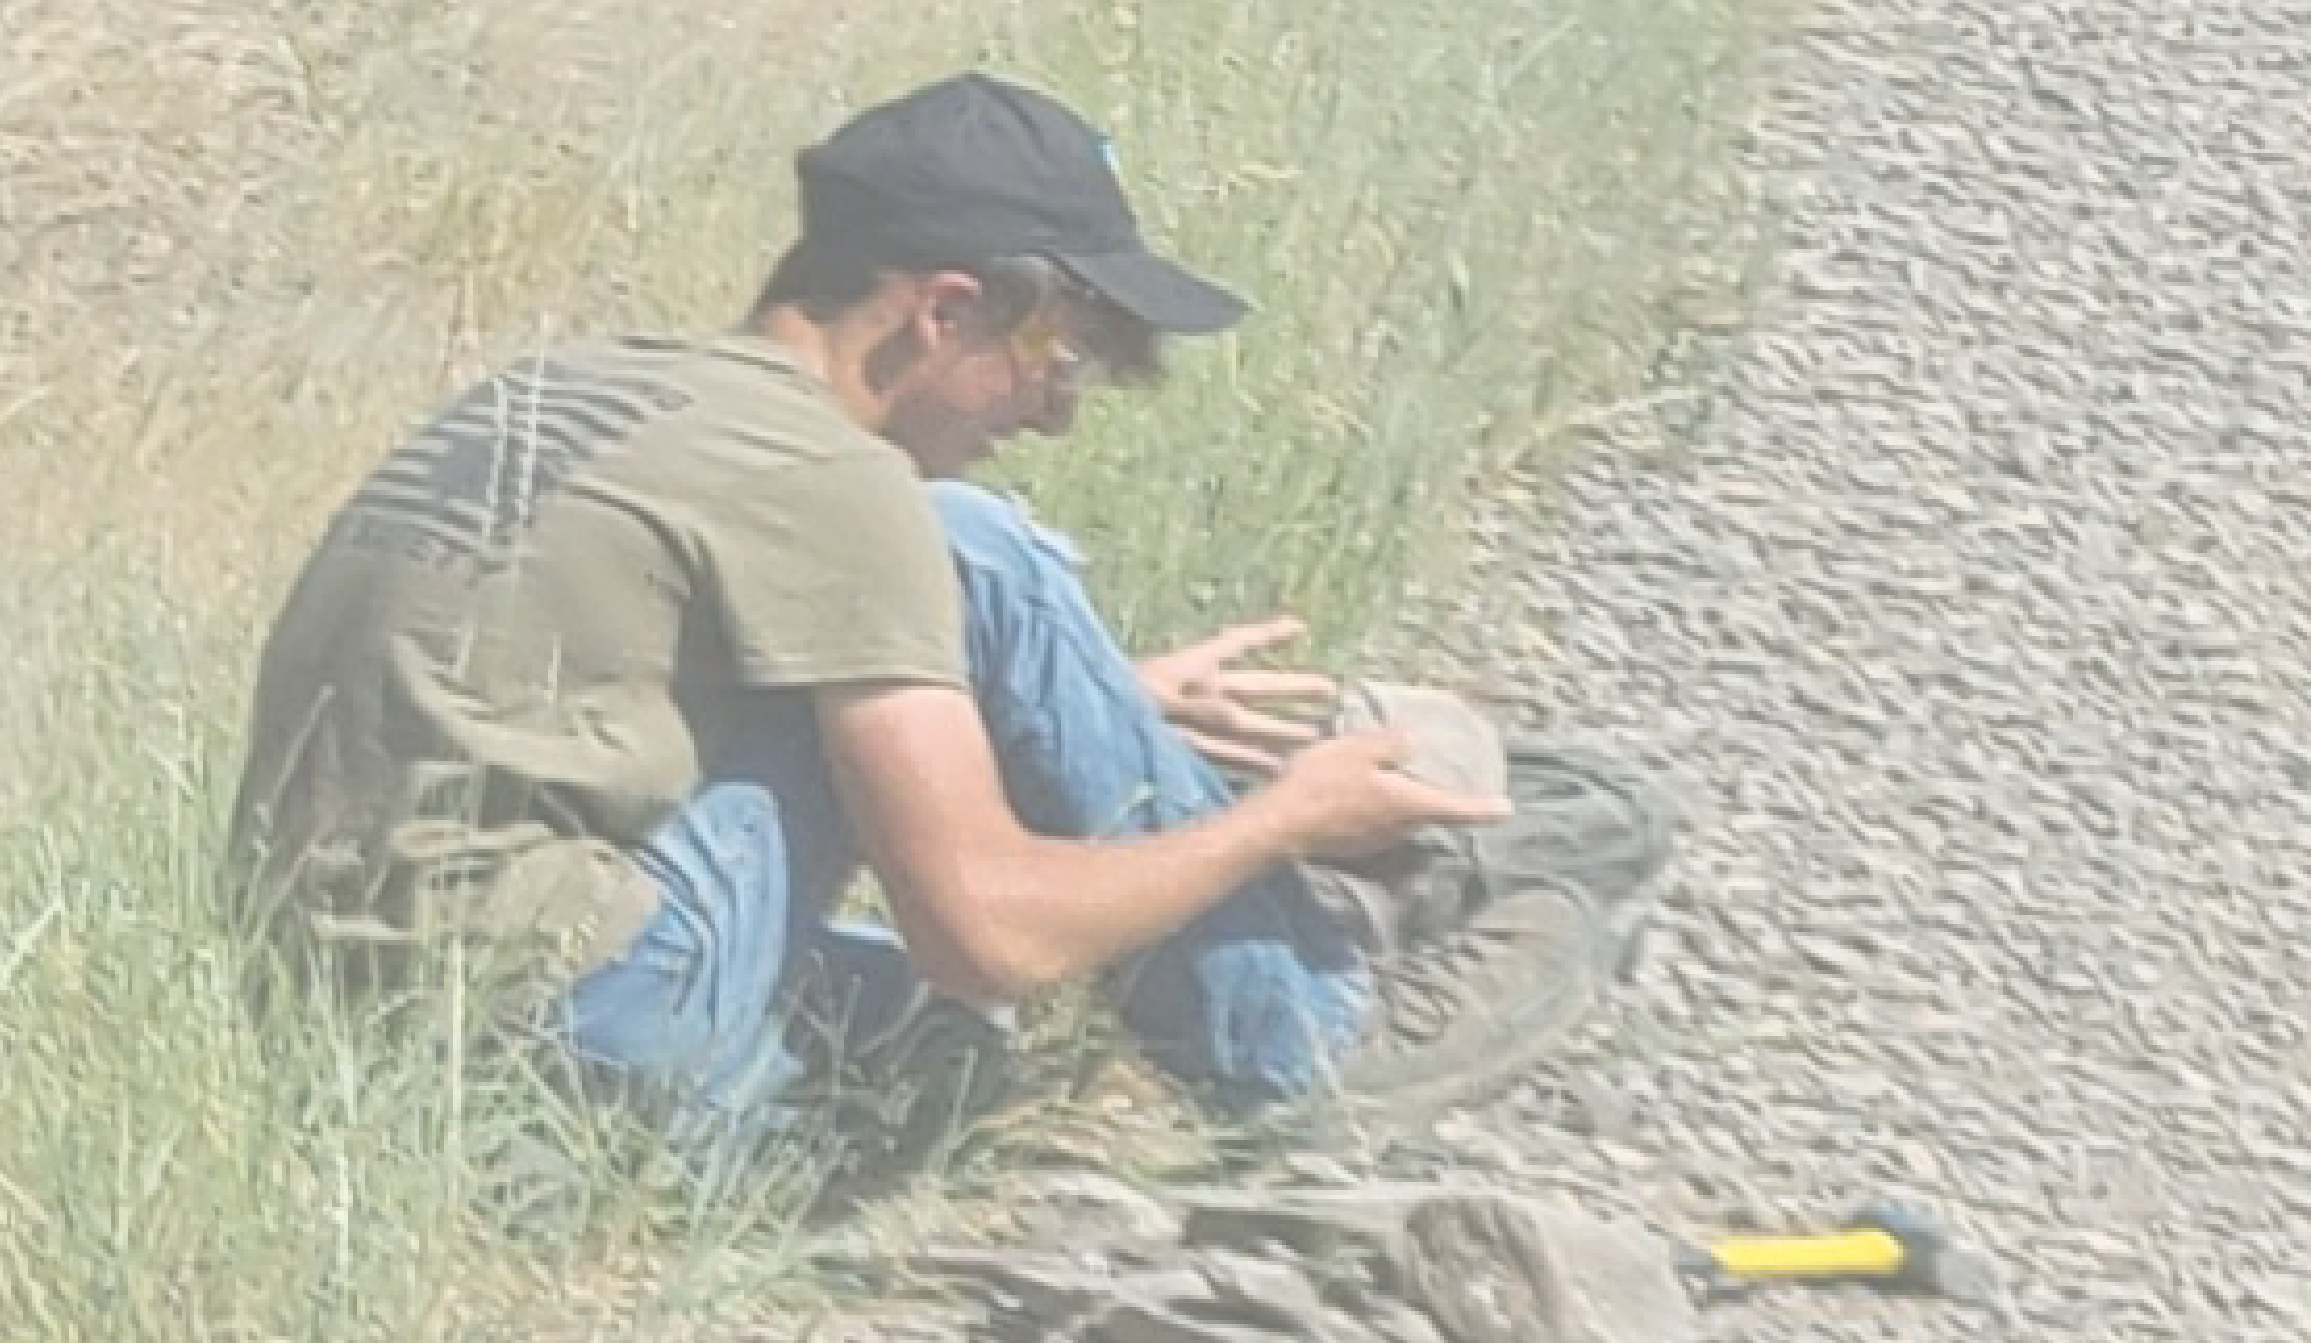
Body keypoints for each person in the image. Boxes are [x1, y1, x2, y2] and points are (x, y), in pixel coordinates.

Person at [235, 70, 1641, 1182]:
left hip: (358, 1052)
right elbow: (984, 935)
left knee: (952, 1041)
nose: (1055, 411)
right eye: (1058, 357)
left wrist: (1095, 700)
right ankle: (1302, 1034)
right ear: (943, 311)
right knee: (976, 553)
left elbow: (585, 707)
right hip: (580, 1038)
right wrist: (1280, 820)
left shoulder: (589, 392)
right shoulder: (837, 481)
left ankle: (868, 1076)